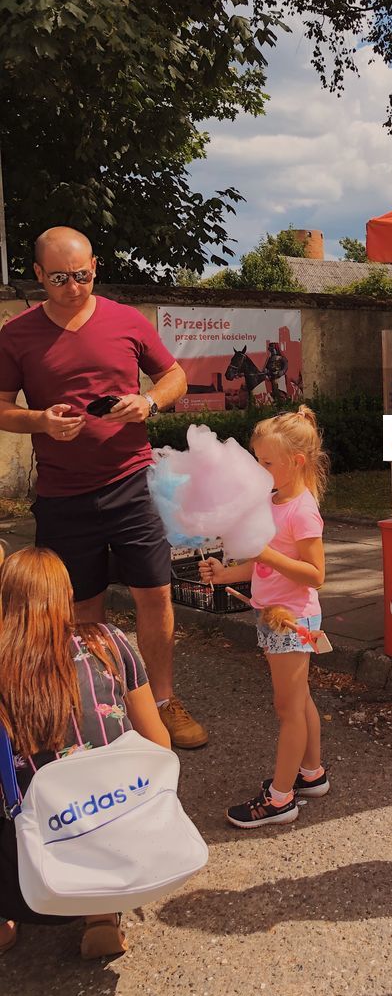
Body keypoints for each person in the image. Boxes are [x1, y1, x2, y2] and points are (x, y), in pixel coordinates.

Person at [0, 227, 205, 750]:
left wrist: (150, 403)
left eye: (84, 275)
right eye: (61, 278)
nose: (74, 287)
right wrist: (40, 421)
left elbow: (175, 375)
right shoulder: (16, 334)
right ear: (40, 275)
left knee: (155, 594)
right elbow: (1, 408)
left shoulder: (126, 319)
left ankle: (162, 701)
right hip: (64, 496)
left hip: (130, 482)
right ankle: (101, 706)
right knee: (82, 608)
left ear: (96, 266)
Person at [0, 546, 171, 958]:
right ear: (66, 596)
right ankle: (100, 915)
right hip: (110, 845)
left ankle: (4, 921)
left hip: (28, 870)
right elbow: (159, 744)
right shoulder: (106, 641)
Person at [199, 407, 330, 828]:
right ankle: (311, 773)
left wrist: (264, 552)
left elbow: (316, 575)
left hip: (293, 620)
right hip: (274, 617)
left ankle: (280, 799)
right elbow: (265, 568)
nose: (258, 469)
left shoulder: (303, 510)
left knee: (287, 708)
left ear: (297, 462)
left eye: (266, 463)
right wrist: (226, 574)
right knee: (300, 699)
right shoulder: (274, 500)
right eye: (256, 460)